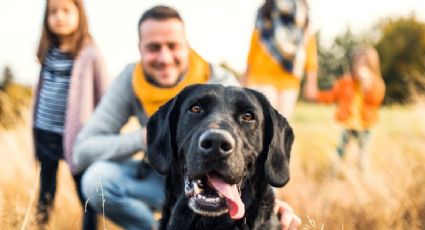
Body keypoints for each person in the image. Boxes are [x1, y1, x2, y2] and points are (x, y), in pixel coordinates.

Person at [73, 5, 301, 230]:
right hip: (162, 172)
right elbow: (82, 150)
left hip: (222, 174)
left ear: (186, 45)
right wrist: (145, 137)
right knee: (97, 180)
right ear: (140, 48)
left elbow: (252, 143)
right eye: (153, 47)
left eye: (173, 46)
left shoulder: (221, 80)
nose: (165, 57)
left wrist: (270, 202)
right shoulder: (129, 81)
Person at [32, 0, 109, 228]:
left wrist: (100, 132)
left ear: (79, 15)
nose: (59, 17)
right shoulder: (48, 51)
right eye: (53, 12)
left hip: (77, 137)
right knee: (46, 188)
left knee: (85, 191)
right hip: (45, 131)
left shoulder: (89, 52)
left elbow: (105, 95)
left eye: (66, 11)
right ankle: (40, 224)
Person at [306, 46, 385, 171]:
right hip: (348, 124)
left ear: (373, 65)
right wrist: (316, 96)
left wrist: (367, 86)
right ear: (354, 64)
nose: (361, 66)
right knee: (340, 151)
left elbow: (376, 100)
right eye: (359, 62)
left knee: (363, 153)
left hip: (365, 126)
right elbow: (332, 96)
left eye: (366, 63)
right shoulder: (346, 82)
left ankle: (363, 174)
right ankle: (333, 173)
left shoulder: (376, 83)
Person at [242, 0, 318, 119]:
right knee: (264, 122)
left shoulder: (303, 14)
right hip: (262, 75)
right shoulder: (265, 10)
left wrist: (311, 81)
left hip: (290, 79)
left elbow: (309, 46)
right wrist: (246, 74)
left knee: (282, 126)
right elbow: (255, 42)